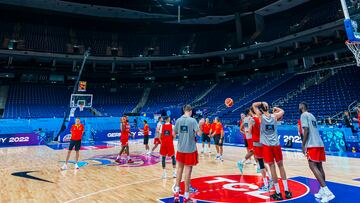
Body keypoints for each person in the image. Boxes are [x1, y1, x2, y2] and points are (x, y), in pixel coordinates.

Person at [253, 102, 292, 200]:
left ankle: (278, 193)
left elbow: (254, 105)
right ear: (268, 108)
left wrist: (262, 103)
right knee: (281, 166)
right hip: (276, 145)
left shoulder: (260, 117)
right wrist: (276, 108)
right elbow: (282, 111)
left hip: (267, 146)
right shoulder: (274, 116)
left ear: (261, 110)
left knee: (272, 168)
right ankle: (287, 191)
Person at [299, 102, 335, 203]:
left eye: (299, 105)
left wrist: (303, 144)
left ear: (302, 107)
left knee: (312, 166)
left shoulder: (303, 115)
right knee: (319, 167)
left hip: (312, 144)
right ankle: (322, 191)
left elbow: (306, 130)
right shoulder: (312, 115)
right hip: (319, 143)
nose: (298, 106)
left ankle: (327, 192)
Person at [173, 105, 201, 203]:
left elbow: (174, 134)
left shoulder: (178, 120)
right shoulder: (193, 121)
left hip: (180, 149)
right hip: (190, 149)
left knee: (179, 169)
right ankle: (186, 196)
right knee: (188, 172)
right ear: (190, 111)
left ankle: (176, 194)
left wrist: (182, 135)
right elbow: (199, 134)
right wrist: (200, 125)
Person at [249, 106, 273, 191]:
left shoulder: (252, 119)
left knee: (261, 164)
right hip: (264, 141)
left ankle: (266, 185)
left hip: (256, 142)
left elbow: (249, 131)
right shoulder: (263, 119)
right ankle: (270, 178)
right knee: (264, 162)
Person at [238, 108, 255, 173]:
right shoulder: (250, 118)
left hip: (248, 137)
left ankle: (258, 165)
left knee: (253, 150)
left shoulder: (245, 120)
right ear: (249, 112)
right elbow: (246, 128)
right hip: (251, 137)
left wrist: (245, 132)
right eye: (251, 111)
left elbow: (242, 128)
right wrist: (246, 132)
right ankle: (242, 161)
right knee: (253, 150)